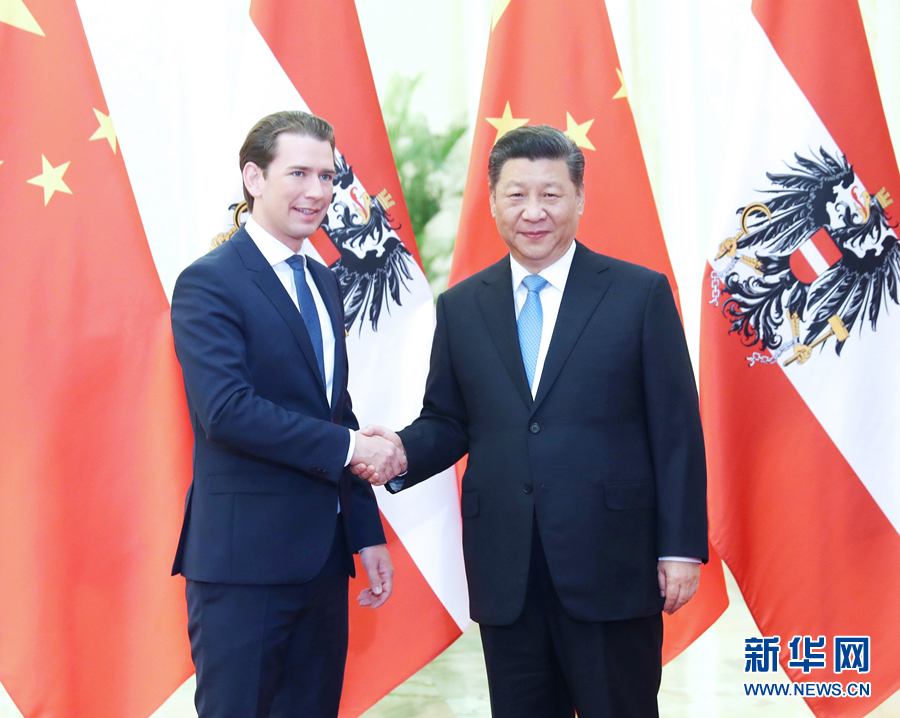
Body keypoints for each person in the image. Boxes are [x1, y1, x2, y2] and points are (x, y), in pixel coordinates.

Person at [358, 125, 708, 718]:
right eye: (516, 195)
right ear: (493, 202)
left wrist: (680, 547)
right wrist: (399, 449)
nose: (533, 211)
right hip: (508, 571)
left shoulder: (638, 294)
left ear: (579, 199)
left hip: (611, 565)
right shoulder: (462, 306)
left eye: (551, 194)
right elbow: (449, 420)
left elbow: (676, 432)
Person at [170, 110, 405, 718]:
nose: (317, 192)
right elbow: (226, 411)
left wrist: (365, 532)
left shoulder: (324, 282)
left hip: (323, 562)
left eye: (326, 177)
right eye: (298, 173)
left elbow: (335, 410)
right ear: (254, 177)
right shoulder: (209, 283)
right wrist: (353, 448)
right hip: (242, 566)